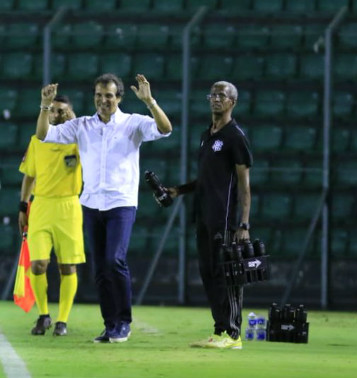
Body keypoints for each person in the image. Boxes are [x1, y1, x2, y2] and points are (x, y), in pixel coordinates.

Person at [36, 74, 173, 343]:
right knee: (100, 268)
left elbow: (165, 129)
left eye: (109, 95)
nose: (103, 100)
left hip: (121, 203)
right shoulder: (83, 125)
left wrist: (150, 102)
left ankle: (124, 322)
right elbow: (44, 135)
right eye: (98, 95)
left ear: (119, 97)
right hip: (91, 203)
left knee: (115, 260)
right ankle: (110, 326)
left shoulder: (133, 123)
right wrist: (44, 106)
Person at [164, 81, 252, 350]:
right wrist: (178, 190)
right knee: (208, 272)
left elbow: (244, 184)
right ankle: (219, 330)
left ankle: (234, 334)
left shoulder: (235, 136)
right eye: (212, 95)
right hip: (203, 215)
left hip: (224, 219)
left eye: (221, 96)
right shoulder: (207, 135)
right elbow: (206, 179)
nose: (215, 99)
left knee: (227, 274)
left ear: (232, 102)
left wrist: (244, 224)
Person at [18, 95, 84, 337]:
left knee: (68, 266)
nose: (57, 114)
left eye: (62, 111)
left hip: (69, 206)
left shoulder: (79, 141)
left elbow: (83, 134)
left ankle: (62, 320)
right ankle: (43, 314)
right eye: (52, 110)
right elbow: (29, 176)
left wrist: (73, 119)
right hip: (42, 205)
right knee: (38, 264)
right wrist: (23, 207)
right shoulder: (37, 140)